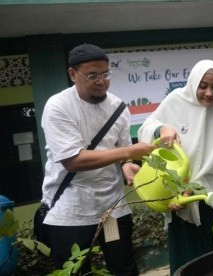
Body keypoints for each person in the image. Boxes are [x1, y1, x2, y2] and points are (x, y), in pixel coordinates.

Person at [40, 43, 156, 275]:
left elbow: (122, 152)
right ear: (73, 74)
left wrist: (128, 166)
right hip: (70, 211)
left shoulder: (119, 108)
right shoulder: (58, 106)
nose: (101, 81)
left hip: (112, 209)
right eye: (92, 75)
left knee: (124, 269)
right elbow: (73, 160)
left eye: (105, 74)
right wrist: (129, 153)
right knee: (75, 272)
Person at [137, 60, 213, 275]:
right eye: (203, 85)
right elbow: (146, 128)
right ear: (193, 82)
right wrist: (162, 128)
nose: (209, 93)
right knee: (192, 265)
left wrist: (198, 187)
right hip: (182, 201)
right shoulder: (176, 100)